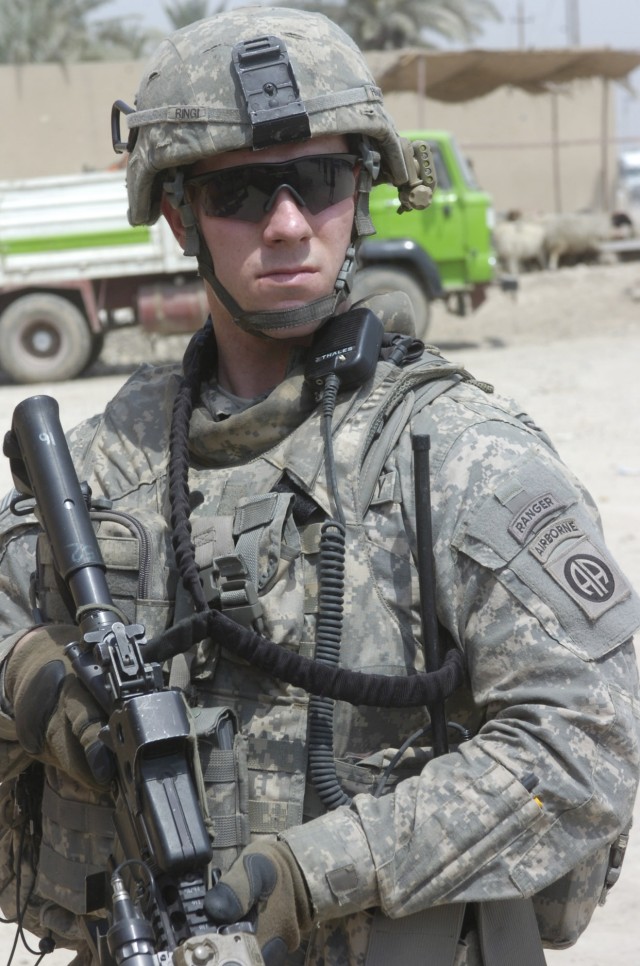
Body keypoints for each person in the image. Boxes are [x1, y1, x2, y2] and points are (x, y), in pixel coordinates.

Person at [0, 8, 639, 966]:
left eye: (321, 180)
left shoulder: (461, 455)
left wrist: (312, 874)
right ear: (179, 214)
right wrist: (44, 690)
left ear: (365, 192)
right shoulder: (106, 463)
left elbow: (586, 746)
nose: (289, 222)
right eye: (244, 191)